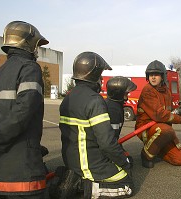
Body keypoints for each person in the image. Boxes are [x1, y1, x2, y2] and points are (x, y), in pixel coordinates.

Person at [0, 21, 49, 198]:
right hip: (21, 176)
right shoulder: (29, 68)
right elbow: (24, 110)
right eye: (37, 45)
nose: (37, 51)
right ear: (28, 43)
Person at [57, 52, 133, 198]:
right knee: (126, 184)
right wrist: (124, 161)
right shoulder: (95, 101)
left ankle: (68, 178)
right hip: (87, 165)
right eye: (100, 75)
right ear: (94, 75)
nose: (102, 79)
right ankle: (80, 186)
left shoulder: (68, 98)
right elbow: (107, 143)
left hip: (71, 162)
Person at [135, 60, 181, 168]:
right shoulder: (148, 90)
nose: (153, 77)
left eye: (156, 75)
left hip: (163, 129)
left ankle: (156, 149)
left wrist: (179, 108)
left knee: (180, 160)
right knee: (166, 130)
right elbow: (159, 115)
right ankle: (146, 155)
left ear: (162, 76)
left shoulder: (166, 91)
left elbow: (169, 110)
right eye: (150, 75)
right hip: (146, 129)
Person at [105, 76, 137, 165]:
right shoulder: (113, 109)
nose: (127, 97)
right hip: (102, 149)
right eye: (126, 94)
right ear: (118, 94)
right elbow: (109, 141)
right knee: (127, 168)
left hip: (109, 144)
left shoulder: (114, 105)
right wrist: (122, 160)